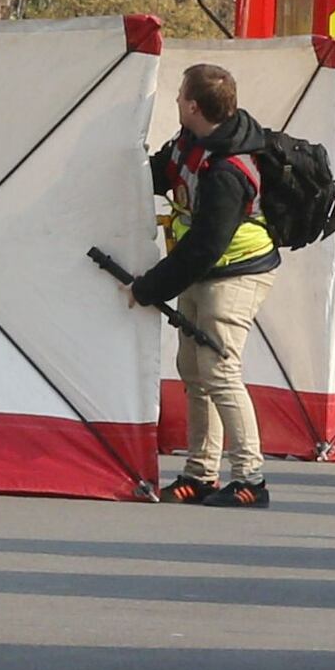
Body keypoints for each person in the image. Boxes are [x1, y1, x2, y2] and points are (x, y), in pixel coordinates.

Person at [128, 62, 281, 508]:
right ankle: (201, 474)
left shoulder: (228, 168)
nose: (175, 100)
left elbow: (206, 245)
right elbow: (157, 175)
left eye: (179, 95)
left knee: (219, 370)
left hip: (236, 271)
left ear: (194, 105)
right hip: (207, 272)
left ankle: (252, 479)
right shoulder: (191, 142)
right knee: (194, 372)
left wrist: (147, 288)